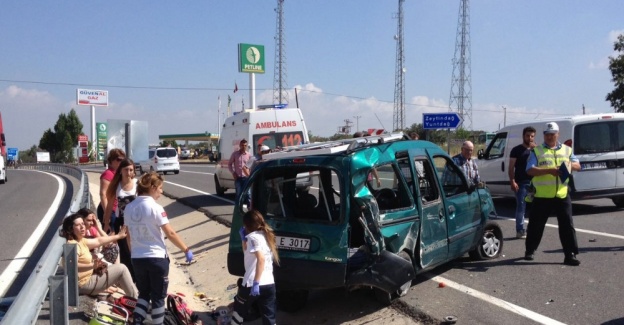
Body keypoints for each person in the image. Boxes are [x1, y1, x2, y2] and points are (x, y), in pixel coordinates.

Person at [124, 172, 194, 325]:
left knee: (143, 293)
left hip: (137, 258)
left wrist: (133, 253)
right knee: (158, 297)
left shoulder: (128, 208)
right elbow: (170, 232)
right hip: (156, 258)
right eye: (160, 188)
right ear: (153, 187)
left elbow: (128, 235)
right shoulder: (156, 208)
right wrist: (186, 249)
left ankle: (137, 321)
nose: (161, 192)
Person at [524, 122, 581, 266]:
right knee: (536, 225)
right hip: (542, 195)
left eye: (552, 134)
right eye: (547, 134)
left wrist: (568, 165)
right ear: (544, 135)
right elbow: (530, 170)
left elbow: (578, 166)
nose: (550, 137)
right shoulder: (536, 151)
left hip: (561, 194)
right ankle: (530, 250)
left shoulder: (567, 150)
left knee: (567, 225)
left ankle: (570, 255)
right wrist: (550, 170)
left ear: (558, 134)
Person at [59, 213, 137, 298]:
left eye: (83, 224)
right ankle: (136, 300)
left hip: (88, 279)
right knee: (121, 268)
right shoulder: (73, 245)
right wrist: (92, 265)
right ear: (71, 229)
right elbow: (70, 265)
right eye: (78, 225)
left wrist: (118, 236)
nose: (82, 227)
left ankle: (136, 297)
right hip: (84, 284)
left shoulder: (81, 241)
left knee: (119, 271)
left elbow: (99, 241)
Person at [231, 210, 280, 325]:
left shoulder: (253, 238)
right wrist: (244, 240)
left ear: (246, 225)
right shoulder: (266, 236)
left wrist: (256, 283)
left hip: (252, 283)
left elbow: (261, 259)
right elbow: (248, 253)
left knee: (238, 312)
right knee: (269, 317)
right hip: (269, 284)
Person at [103, 158, 137, 280]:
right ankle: (129, 277)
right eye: (126, 169)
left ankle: (138, 275)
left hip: (136, 222)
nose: (128, 172)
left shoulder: (138, 184)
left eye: (131, 170)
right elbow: (110, 206)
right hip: (121, 222)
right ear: (121, 171)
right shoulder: (116, 186)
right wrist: (106, 223)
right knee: (125, 251)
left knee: (135, 248)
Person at [508, 126, 536, 239]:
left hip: (535, 182)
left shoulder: (537, 149)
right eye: (528, 136)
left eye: (532, 136)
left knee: (535, 207)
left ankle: (532, 229)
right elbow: (511, 168)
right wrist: (512, 181)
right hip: (522, 182)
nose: (530, 138)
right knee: (521, 206)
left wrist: (537, 149)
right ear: (523, 136)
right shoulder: (516, 150)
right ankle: (520, 230)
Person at [99, 148, 126, 231]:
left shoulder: (119, 174)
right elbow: (103, 194)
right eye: (118, 160)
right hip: (110, 210)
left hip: (118, 210)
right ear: (111, 161)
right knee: (110, 239)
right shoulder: (108, 174)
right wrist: (108, 214)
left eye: (123, 160)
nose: (121, 162)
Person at [229, 139, 252, 204]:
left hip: (246, 178)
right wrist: (233, 172)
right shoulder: (235, 154)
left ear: (246, 146)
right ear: (240, 145)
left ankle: (249, 210)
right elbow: (229, 164)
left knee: (248, 195)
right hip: (238, 178)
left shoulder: (249, 155)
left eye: (245, 145)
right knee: (239, 195)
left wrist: (250, 174)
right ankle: (238, 211)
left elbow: (251, 165)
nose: (243, 146)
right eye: (242, 145)